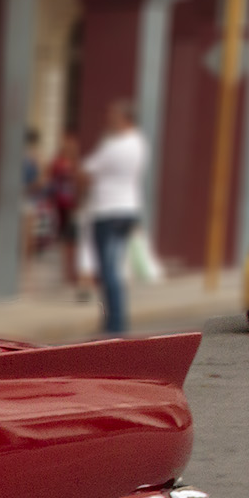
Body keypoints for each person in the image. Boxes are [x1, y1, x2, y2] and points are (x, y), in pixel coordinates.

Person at [83, 100, 147, 335]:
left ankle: (114, 325)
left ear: (125, 120)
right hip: (127, 211)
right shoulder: (139, 143)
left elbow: (88, 171)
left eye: (114, 117)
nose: (109, 121)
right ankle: (114, 322)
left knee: (108, 271)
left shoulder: (116, 145)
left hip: (108, 212)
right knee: (113, 270)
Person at [47, 131, 84, 296]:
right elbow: (50, 177)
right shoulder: (58, 162)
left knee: (73, 239)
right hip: (60, 203)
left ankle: (73, 273)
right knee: (65, 237)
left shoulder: (78, 164)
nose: (70, 148)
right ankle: (66, 272)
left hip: (73, 205)